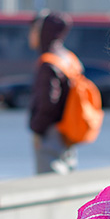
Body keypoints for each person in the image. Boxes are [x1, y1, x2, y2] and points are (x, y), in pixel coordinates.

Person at [28, 11, 79, 174]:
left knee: (49, 181)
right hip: (69, 128)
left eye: (35, 30)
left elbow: (48, 103)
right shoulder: (68, 57)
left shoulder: (49, 62)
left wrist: (37, 129)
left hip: (51, 133)